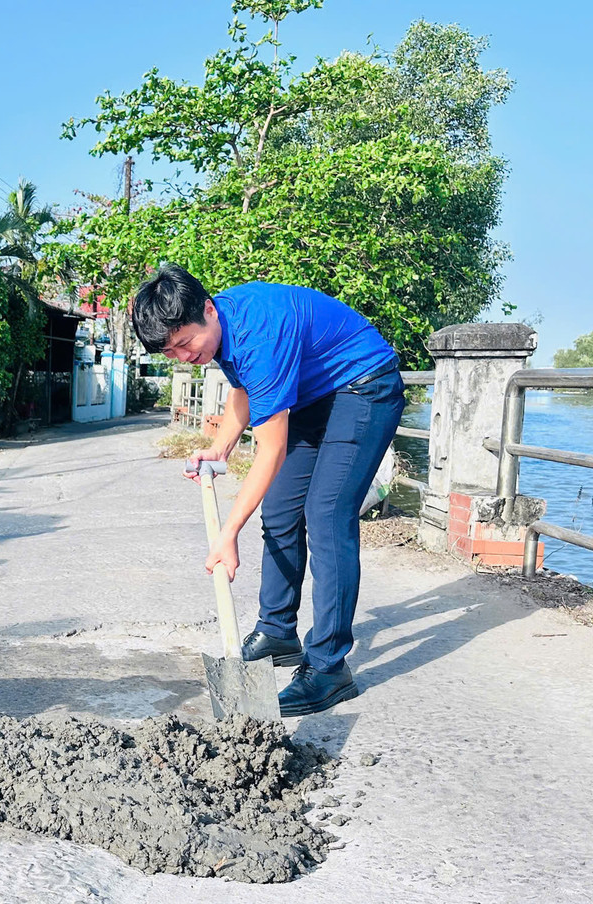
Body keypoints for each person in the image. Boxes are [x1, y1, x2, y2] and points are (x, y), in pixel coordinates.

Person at [131, 263, 405, 717]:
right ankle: (278, 632)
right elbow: (243, 390)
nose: (183, 358)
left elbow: (271, 451)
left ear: (208, 310)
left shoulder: (260, 333)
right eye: (171, 353)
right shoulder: (222, 328)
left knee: (326, 516)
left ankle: (329, 667)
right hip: (314, 398)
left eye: (185, 344)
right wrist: (218, 450)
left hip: (364, 388)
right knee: (279, 511)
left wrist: (227, 533)